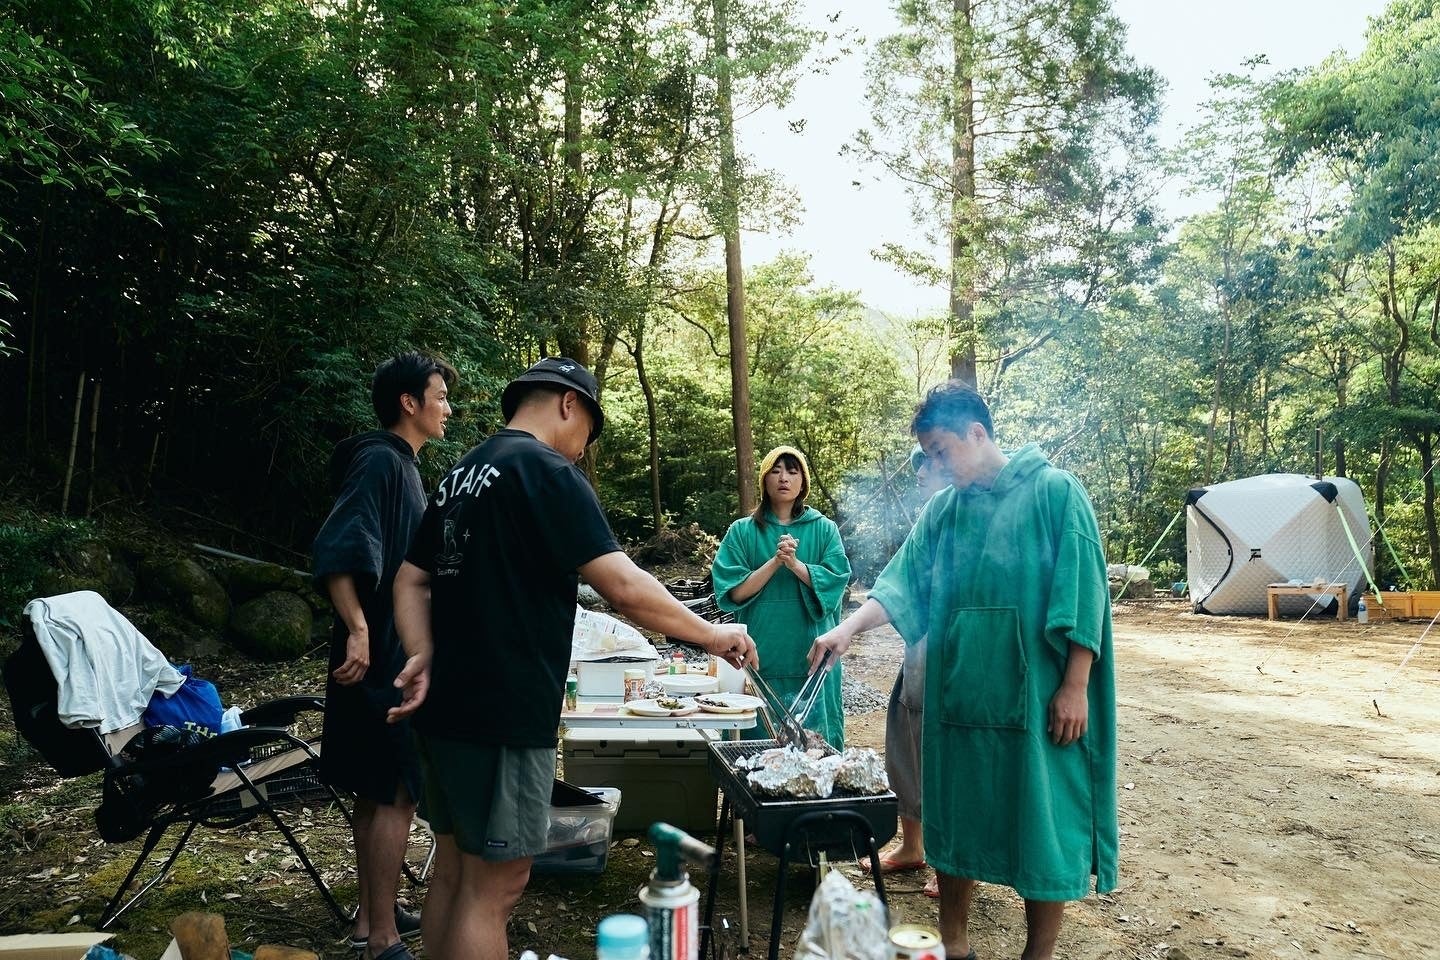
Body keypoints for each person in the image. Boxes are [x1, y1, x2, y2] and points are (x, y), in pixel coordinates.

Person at [387, 356, 758, 960]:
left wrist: (424, 651)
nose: (583, 450)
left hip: (447, 707)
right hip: (503, 711)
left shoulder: (462, 473)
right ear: (568, 404)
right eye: (589, 431)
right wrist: (711, 636)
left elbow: (409, 580)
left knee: (454, 869)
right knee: (496, 886)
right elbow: (624, 586)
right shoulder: (547, 472)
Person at [808, 382, 1117, 960]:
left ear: (978, 433)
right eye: (927, 454)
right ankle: (954, 944)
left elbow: (1083, 594)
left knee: (1039, 823)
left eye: (941, 449)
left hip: (1032, 697)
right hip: (957, 699)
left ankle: (1038, 954)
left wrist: (1075, 685)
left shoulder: (1053, 492)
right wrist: (847, 629)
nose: (935, 464)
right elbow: (903, 583)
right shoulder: (945, 512)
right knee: (952, 822)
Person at [312, 351, 456, 960]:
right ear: (409, 402)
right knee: (396, 792)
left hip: (380, 657)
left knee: (375, 790)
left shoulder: (398, 465)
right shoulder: (380, 462)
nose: (447, 408)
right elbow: (338, 545)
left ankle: (373, 916)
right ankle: (384, 940)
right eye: (440, 396)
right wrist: (358, 629)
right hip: (380, 660)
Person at [711, 445, 851, 748]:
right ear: (764, 480)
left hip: (811, 653)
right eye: (775, 471)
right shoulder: (742, 531)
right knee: (755, 745)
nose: (783, 478)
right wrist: (775, 562)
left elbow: (836, 580)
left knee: (816, 748)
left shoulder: (824, 529)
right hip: (760, 652)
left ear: (803, 482)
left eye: (792, 470)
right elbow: (733, 590)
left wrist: (796, 565)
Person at [863, 444, 945, 897]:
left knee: (941, 756)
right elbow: (899, 585)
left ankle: (948, 858)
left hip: (954, 657)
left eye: (928, 464)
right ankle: (912, 844)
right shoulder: (930, 518)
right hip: (919, 650)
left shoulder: (970, 513)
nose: (919, 474)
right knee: (904, 745)